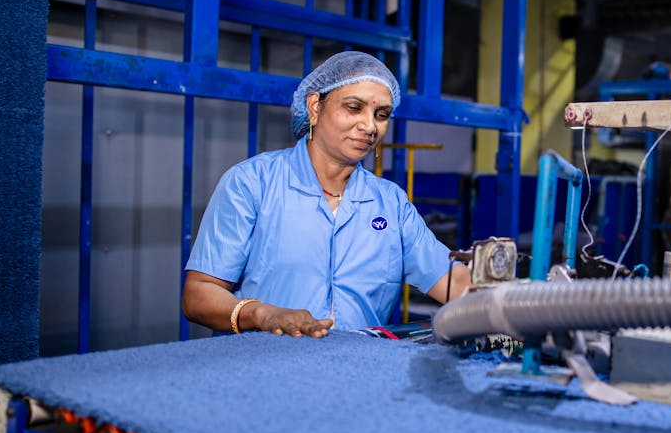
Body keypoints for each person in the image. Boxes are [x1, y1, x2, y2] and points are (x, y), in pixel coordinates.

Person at [182, 51, 472, 338]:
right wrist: (261, 314)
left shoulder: (390, 203)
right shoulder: (252, 184)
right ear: (314, 107)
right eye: (354, 108)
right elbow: (199, 295)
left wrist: (496, 284)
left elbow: (453, 281)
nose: (370, 126)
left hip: (360, 364)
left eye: (381, 115)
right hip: (263, 362)